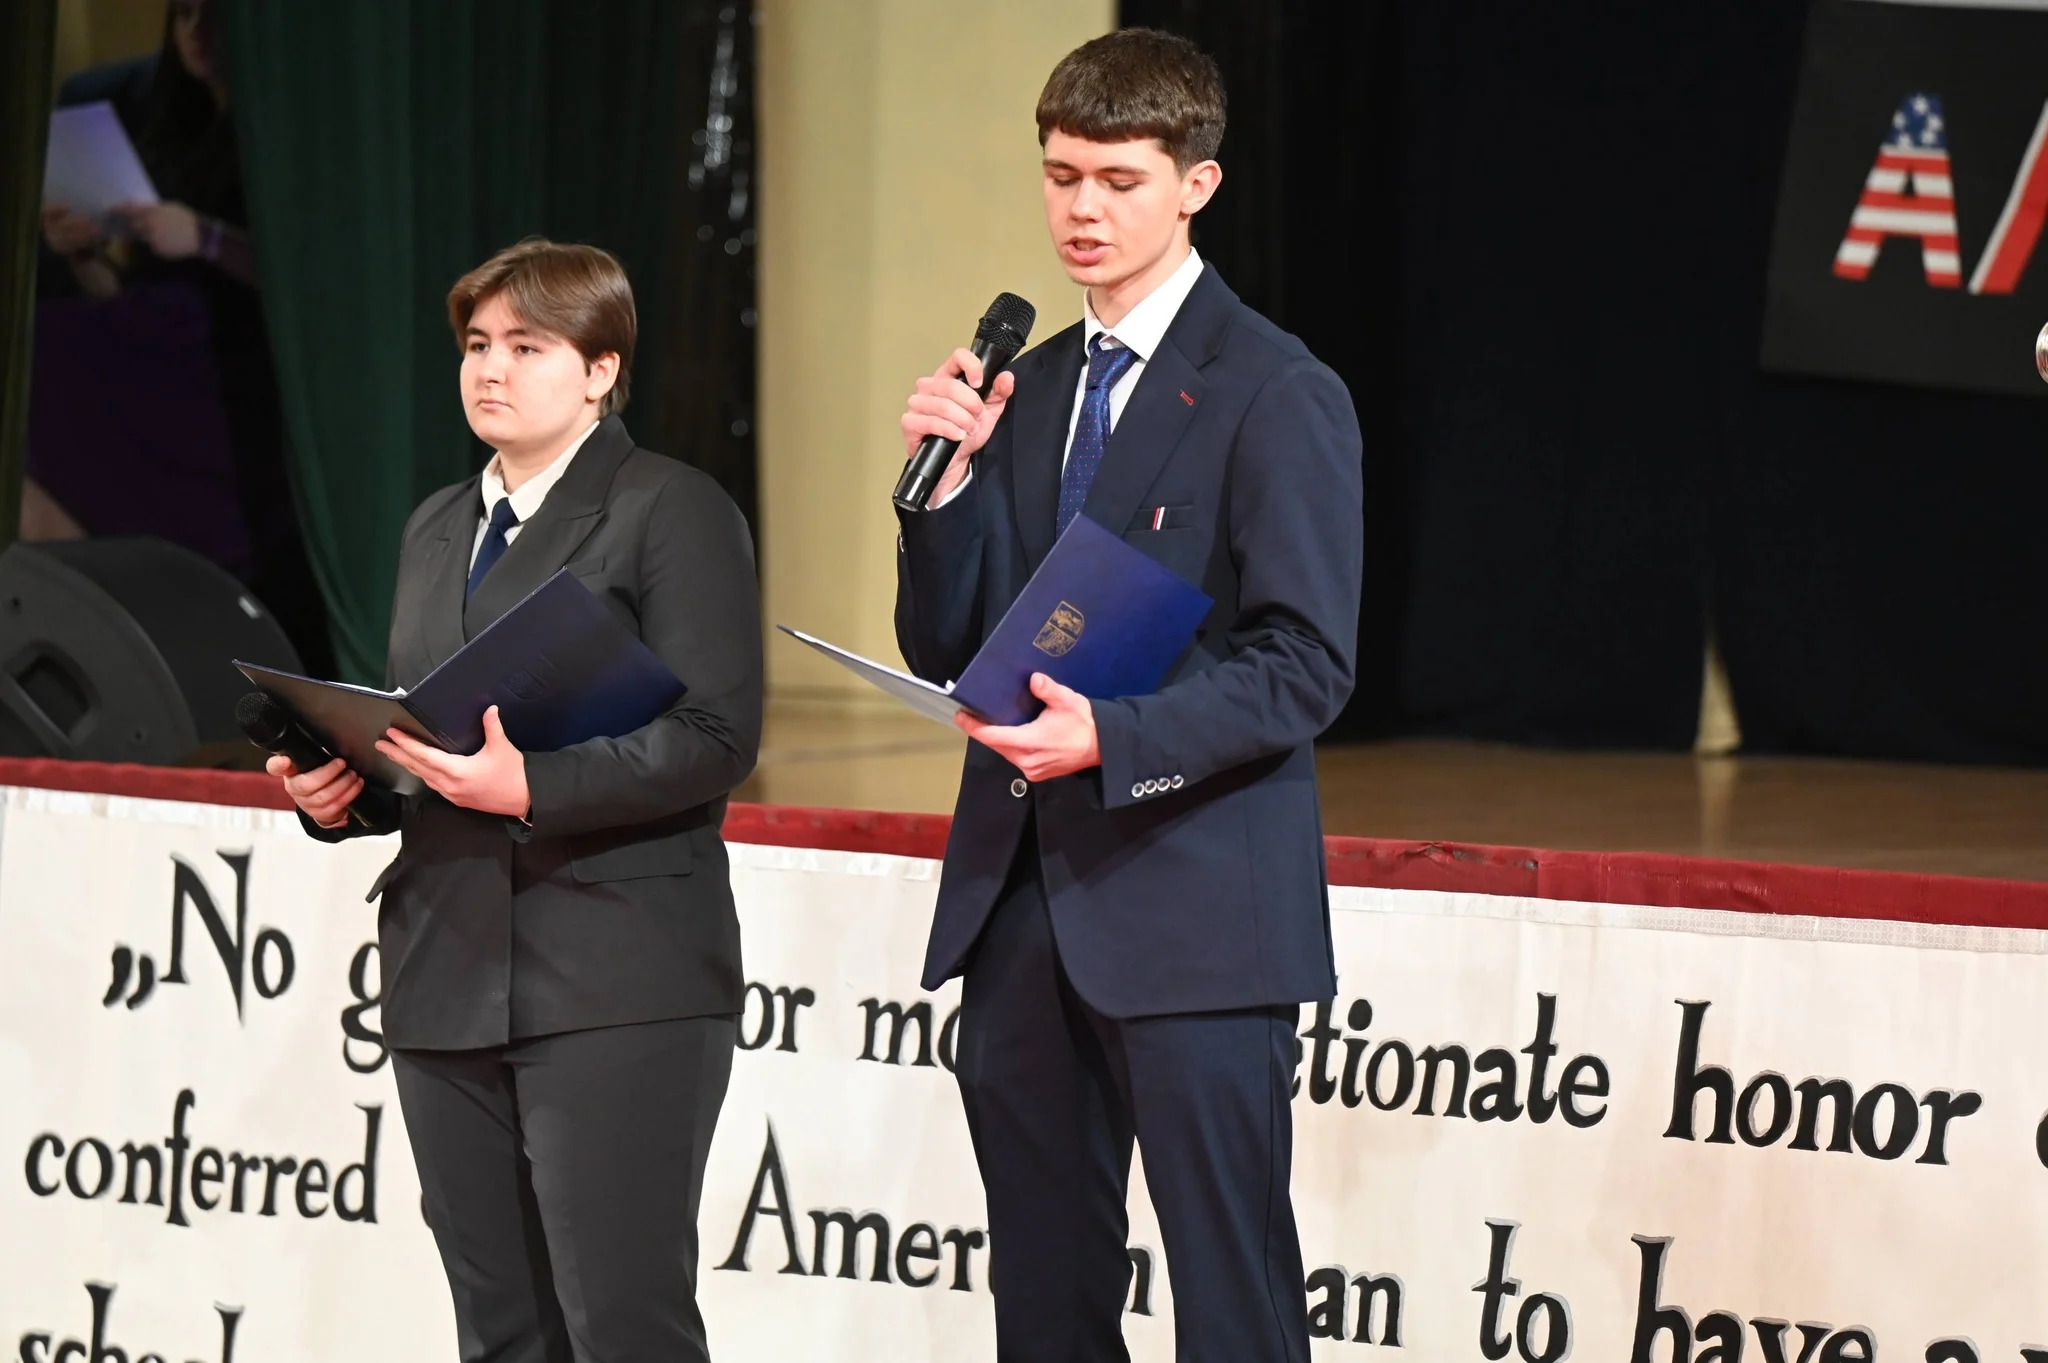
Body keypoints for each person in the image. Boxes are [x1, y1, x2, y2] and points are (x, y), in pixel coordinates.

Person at [894, 28, 1363, 1363]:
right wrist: (942, 495)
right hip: (1021, 905)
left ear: (1196, 184)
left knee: (1230, 1302)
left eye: (1118, 180)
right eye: (1060, 177)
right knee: (1044, 1299)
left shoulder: (1276, 388)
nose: (1082, 210)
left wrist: (1114, 734)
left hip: (1197, 905)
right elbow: (947, 645)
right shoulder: (1029, 384)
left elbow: (1305, 661)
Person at [270, 239, 762, 1363]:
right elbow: (425, 741)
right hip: (444, 966)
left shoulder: (669, 507)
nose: (490, 369)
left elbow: (716, 737)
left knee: (622, 1326)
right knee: (500, 1331)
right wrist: (341, 791)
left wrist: (533, 783)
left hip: (615, 968)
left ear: (600, 370)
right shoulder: (437, 524)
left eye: (528, 347)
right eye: (478, 345)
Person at [34, 0, 331, 674]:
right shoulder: (177, 130)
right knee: (44, 346)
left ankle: (96, 598)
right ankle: (75, 596)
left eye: (216, 15)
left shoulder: (289, 139)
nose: (198, 34)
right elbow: (127, 297)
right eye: (185, 14)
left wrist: (206, 237)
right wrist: (83, 255)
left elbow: (313, 284)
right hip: (161, 337)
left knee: (54, 353)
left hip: (229, 351)